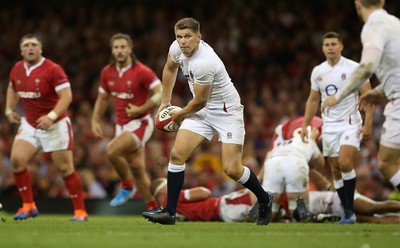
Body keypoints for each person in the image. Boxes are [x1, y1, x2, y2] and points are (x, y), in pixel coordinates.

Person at [142, 17, 272, 225]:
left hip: (226, 112)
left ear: (198, 37)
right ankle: (170, 212)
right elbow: (169, 68)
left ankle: (265, 199)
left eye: (188, 36)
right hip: (200, 111)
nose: (183, 41)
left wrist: (179, 114)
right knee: (176, 155)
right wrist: (165, 101)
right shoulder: (176, 48)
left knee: (231, 169)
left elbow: (200, 101)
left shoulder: (205, 62)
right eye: (179, 36)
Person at [5, 34, 88, 221]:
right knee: (17, 160)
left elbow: (67, 96)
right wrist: (9, 110)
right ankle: (28, 205)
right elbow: (12, 88)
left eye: (34, 44)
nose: (30, 48)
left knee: (65, 169)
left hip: (55, 124)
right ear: (21, 50)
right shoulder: (17, 69)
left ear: (40, 48)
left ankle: (80, 211)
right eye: (26, 45)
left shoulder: (53, 69)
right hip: (30, 124)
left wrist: (51, 117)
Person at [322, 1, 400, 194]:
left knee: (387, 163)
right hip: (394, 94)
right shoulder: (395, 22)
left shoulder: (373, 26)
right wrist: (380, 91)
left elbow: (366, 67)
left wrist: (338, 96)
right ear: (382, 1)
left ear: (357, 4)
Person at [301, 31, 374, 224]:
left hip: (350, 124)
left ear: (341, 46)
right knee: (335, 170)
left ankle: (349, 211)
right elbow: (313, 99)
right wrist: (305, 125)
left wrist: (368, 124)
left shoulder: (354, 68)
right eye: (327, 45)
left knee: (344, 163)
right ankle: (348, 213)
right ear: (322, 48)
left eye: (334, 44)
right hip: (329, 126)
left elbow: (368, 97)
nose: (330, 48)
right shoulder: (318, 71)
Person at [91, 33, 161, 210]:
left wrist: (140, 109)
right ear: (112, 50)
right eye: (116, 47)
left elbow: (160, 93)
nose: (120, 51)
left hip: (140, 124)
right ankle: (153, 208)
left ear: (130, 49)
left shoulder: (142, 71)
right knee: (137, 168)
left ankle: (127, 186)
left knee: (111, 150)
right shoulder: (107, 72)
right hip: (121, 125)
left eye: (123, 47)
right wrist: (95, 120)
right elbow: (102, 98)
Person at [262, 125, 324, 222]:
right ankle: (297, 217)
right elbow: (321, 164)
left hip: (272, 162)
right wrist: (313, 140)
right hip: (295, 161)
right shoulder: (309, 141)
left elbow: (268, 156)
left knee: (270, 207)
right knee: (297, 206)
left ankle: (264, 213)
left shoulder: (283, 143)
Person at [150, 178, 258, 222]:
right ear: (161, 191)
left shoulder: (165, 212)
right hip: (222, 206)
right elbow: (205, 192)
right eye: (167, 185)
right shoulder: (172, 198)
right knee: (259, 195)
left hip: (220, 214)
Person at [308, 190, 400, 224]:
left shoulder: (298, 193)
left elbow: (327, 184)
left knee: (374, 207)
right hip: (336, 215)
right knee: (375, 220)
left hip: (338, 199)